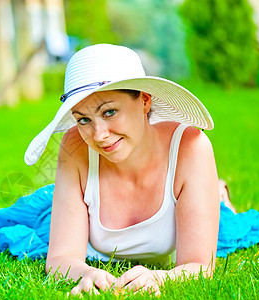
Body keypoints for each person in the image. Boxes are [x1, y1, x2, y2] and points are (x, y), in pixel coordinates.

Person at [24, 44, 220, 294]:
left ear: (145, 100)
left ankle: (219, 193)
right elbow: (60, 259)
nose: (99, 136)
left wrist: (160, 278)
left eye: (110, 112)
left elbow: (200, 266)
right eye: (84, 119)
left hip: (190, 181)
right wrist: (87, 274)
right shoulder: (75, 145)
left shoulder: (191, 147)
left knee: (222, 219)